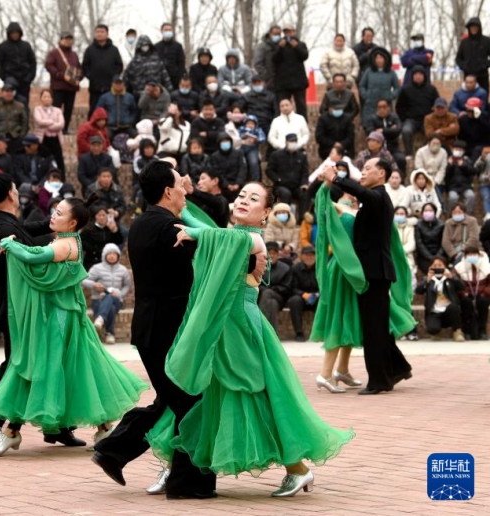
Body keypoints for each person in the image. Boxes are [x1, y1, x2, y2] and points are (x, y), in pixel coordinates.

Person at [145, 180, 352, 498]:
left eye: (253, 199)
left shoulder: (253, 238)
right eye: (241, 195)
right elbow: (215, 232)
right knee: (199, 395)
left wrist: (194, 229)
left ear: (266, 212)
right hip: (221, 325)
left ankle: (297, 469)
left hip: (241, 326)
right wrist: (184, 208)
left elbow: (216, 236)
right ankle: (176, 467)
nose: (243, 200)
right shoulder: (232, 235)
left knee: (255, 396)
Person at [93, 163, 257, 497]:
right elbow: (213, 253)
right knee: (191, 404)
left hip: (151, 330)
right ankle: (186, 484)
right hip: (166, 332)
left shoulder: (141, 223)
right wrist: (253, 257)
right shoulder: (170, 228)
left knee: (171, 401)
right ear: (168, 191)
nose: (185, 193)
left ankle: (114, 451)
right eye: (181, 187)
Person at [0, 195, 147, 455]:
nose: (52, 216)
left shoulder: (66, 245)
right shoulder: (65, 240)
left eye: (59, 213)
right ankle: (102, 428)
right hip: (63, 320)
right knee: (74, 372)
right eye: (54, 211)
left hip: (62, 322)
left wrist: (8, 243)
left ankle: (11, 430)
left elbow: (34, 257)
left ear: (73, 222)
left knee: (46, 370)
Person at [0, 173, 79, 453]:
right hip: (16, 310)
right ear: (11, 194)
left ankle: (58, 428)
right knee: (18, 369)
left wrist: (58, 224)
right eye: (14, 188)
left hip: (19, 308)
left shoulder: (4, 223)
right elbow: (29, 253)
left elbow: (29, 228)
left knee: (42, 364)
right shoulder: (3, 229)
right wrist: (59, 245)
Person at [311, 184, 416, 392]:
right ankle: (324, 374)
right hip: (343, 270)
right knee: (340, 318)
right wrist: (326, 184)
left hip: (358, 271)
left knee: (354, 319)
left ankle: (342, 370)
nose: (356, 190)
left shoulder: (360, 208)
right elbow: (320, 204)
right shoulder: (336, 206)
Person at [84, 243, 131, 344]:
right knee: (111, 308)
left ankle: (100, 319)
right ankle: (110, 334)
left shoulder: (123, 270)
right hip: (98, 299)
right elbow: (84, 280)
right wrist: (94, 285)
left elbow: (127, 286)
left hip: (117, 299)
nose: (112, 256)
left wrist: (119, 294)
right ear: (104, 255)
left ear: (118, 255)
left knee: (110, 297)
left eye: (114, 254)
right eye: (109, 254)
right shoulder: (96, 268)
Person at [415, 256, 465, 340]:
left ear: (445, 266)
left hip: (449, 310)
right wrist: (427, 280)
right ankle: (436, 332)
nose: (437, 268)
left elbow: (462, 287)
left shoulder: (450, 278)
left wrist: (452, 277)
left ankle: (457, 331)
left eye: (440, 265)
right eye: (435, 266)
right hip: (434, 311)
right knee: (432, 329)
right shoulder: (428, 279)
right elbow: (418, 291)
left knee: (454, 307)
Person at [396, 66, 439, 156]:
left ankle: (428, 154)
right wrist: (404, 119)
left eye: (420, 74)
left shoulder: (431, 89)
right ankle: (409, 154)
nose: (418, 76)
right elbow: (399, 106)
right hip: (411, 119)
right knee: (406, 131)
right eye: (416, 74)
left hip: (427, 119)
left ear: (424, 76)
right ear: (412, 76)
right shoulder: (406, 89)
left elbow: (437, 105)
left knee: (430, 133)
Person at [82, 24, 123, 111]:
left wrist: (113, 77)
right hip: (95, 87)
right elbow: (85, 66)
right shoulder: (89, 50)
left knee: (110, 110)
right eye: (97, 32)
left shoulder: (114, 50)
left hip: (110, 87)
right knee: (94, 110)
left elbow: (119, 65)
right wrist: (91, 76)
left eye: (102, 32)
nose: (99, 34)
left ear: (107, 34)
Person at [45, 32, 82, 129]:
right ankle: (54, 127)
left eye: (70, 39)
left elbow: (79, 67)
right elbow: (48, 65)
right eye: (65, 39)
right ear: (60, 40)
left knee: (68, 109)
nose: (68, 41)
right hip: (58, 86)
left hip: (71, 87)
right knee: (56, 108)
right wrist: (59, 75)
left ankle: (65, 128)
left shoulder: (74, 54)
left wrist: (79, 76)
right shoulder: (54, 53)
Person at [266, 133, 310, 215]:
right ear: (286, 142)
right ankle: (285, 216)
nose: (293, 143)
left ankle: (302, 219)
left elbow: (305, 172)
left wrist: (304, 183)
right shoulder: (276, 155)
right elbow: (269, 170)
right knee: (286, 193)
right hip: (281, 185)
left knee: (304, 194)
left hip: (297, 186)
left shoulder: (301, 156)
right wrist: (278, 179)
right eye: (291, 141)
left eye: (295, 141)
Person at [0, 23, 37, 105]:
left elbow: (33, 62)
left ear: (20, 33)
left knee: (24, 102)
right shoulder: (3, 46)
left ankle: (25, 117)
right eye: (12, 33)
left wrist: (30, 77)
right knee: (9, 101)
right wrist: (4, 77)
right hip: (10, 79)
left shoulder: (26, 45)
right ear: (9, 34)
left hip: (25, 79)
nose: (15, 35)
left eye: (16, 33)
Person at [272, 27, 309, 120]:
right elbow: (274, 59)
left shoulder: (301, 44)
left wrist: (297, 47)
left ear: (294, 32)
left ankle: (303, 126)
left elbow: (305, 56)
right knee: (283, 107)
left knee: (301, 107)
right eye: (286, 32)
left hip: (298, 82)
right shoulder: (279, 45)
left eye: (290, 32)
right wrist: (280, 48)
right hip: (283, 83)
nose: (288, 34)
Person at [454, 247, 490, 340]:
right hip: (466, 294)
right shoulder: (459, 268)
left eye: (474, 254)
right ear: (465, 256)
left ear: (479, 255)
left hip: (482, 293)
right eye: (469, 255)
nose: (472, 256)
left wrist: (485, 292)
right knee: (465, 302)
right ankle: (466, 330)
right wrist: (464, 292)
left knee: (483, 302)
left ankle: (482, 330)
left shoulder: (487, 266)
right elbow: (456, 284)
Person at [359, 48, 399, 129]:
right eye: (377, 58)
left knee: (387, 127)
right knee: (369, 127)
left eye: (381, 58)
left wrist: (391, 96)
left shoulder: (391, 72)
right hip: (370, 105)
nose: (379, 60)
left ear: (385, 59)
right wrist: (366, 96)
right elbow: (362, 86)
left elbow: (397, 87)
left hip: (385, 105)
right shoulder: (368, 72)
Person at [81, 203, 124, 269]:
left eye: (103, 215)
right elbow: (81, 241)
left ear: (108, 216)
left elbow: (119, 241)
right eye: (99, 215)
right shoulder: (89, 228)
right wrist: (93, 249)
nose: (101, 218)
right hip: (92, 260)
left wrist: (115, 231)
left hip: (108, 260)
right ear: (95, 217)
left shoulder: (111, 227)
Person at [31, 90, 65, 172]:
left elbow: (61, 124)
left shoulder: (58, 110)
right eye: (44, 97)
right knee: (43, 161)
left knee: (59, 161)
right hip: (43, 139)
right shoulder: (37, 109)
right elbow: (39, 121)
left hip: (55, 138)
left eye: (49, 97)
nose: (47, 99)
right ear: (41, 99)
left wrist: (48, 125)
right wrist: (53, 122)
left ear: (52, 99)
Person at [0, 82, 27, 151]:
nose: (9, 93)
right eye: (7, 91)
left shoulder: (20, 106)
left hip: (16, 137)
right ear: (2, 93)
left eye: (11, 92)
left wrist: (21, 136)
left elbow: (24, 122)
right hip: (0, 136)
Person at [456, 18, 490, 91]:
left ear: (479, 28)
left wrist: (485, 64)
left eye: (475, 27)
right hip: (468, 77)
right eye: (471, 27)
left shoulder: (486, 41)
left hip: (482, 76)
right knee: (468, 99)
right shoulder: (464, 43)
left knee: (483, 99)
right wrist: (464, 66)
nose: (473, 29)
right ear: (469, 28)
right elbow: (458, 59)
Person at [444, 140, 476, 213]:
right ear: (453, 150)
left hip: (466, 186)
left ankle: (467, 214)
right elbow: (446, 175)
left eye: (460, 150)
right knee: (453, 198)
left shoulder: (467, 160)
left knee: (471, 196)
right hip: (453, 187)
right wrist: (450, 165)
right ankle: (450, 214)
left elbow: (473, 171)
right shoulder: (449, 160)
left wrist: (463, 166)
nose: (457, 151)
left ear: (463, 151)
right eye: (456, 149)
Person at [415, 202, 444, 278]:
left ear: (435, 212)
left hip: (439, 254)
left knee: (440, 266)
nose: (428, 213)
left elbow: (443, 242)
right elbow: (419, 243)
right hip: (424, 256)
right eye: (426, 211)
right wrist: (430, 258)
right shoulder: (418, 225)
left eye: (430, 211)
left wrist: (437, 257)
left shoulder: (441, 225)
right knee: (429, 269)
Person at [155, 23, 185, 90]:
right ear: (162, 31)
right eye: (166, 30)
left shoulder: (178, 46)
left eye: (170, 30)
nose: (168, 31)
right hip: (160, 79)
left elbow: (181, 63)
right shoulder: (156, 47)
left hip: (175, 80)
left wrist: (179, 77)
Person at [254, 25, 282, 89]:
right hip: (268, 83)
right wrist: (267, 77)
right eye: (275, 34)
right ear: (270, 34)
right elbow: (258, 63)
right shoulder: (262, 46)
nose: (277, 36)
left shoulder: (281, 46)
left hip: (280, 83)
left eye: (278, 34)